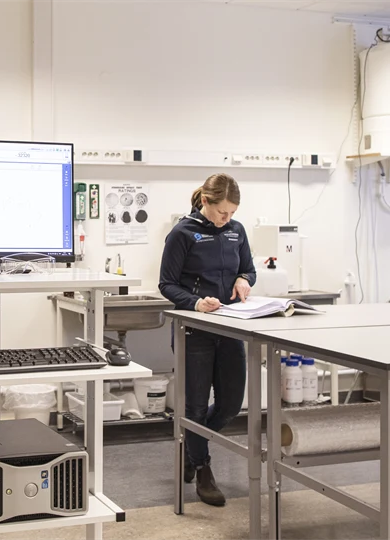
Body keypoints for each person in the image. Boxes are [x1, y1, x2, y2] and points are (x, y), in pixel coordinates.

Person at [158, 173, 256, 507]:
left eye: (231, 213)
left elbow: (249, 269)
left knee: (230, 404)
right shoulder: (182, 233)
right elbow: (167, 285)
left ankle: (189, 445)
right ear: (205, 202)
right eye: (221, 213)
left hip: (229, 329)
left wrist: (244, 279)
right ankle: (203, 469)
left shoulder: (236, 231)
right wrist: (196, 303)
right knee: (196, 407)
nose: (226, 219)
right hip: (194, 330)